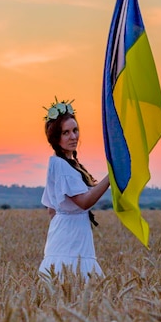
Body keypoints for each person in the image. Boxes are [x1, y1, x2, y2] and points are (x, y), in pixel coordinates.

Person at [39, 99, 110, 278]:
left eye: (75, 130)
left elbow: (51, 210)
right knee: (78, 285)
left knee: (66, 289)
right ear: (55, 138)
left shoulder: (59, 163)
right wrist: (112, 176)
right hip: (71, 239)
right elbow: (84, 202)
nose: (73, 137)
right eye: (66, 133)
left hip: (65, 234)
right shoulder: (63, 167)